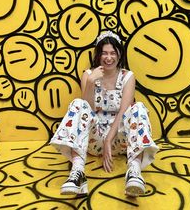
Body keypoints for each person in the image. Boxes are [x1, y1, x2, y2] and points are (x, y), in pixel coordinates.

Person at [50, 31, 159, 197]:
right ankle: (78, 173)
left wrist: (109, 139)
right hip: (94, 141)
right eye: (104, 53)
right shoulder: (89, 75)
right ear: (98, 55)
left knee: (138, 107)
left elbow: (124, 111)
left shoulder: (127, 76)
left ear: (119, 54)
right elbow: (88, 110)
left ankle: (134, 173)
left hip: (119, 142)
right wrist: (91, 82)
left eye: (113, 53)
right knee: (78, 104)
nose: (109, 57)